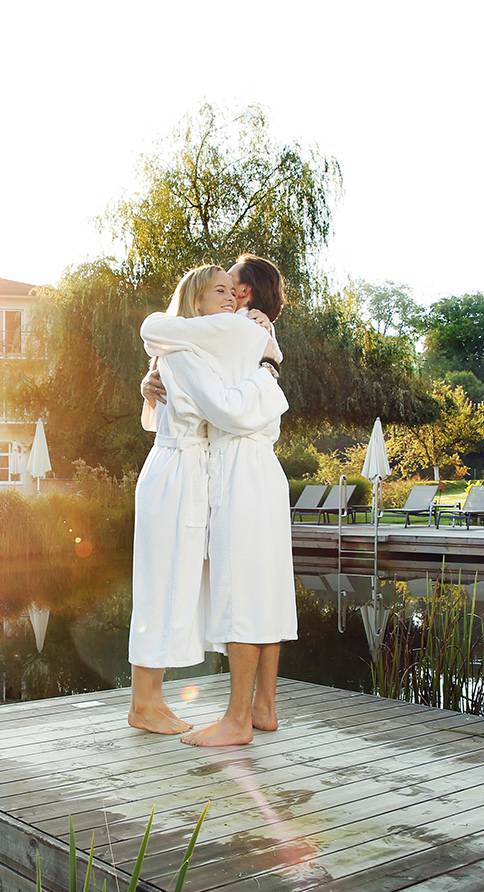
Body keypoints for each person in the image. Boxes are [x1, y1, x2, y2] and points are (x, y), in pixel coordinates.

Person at [140, 253, 299, 746]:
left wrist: (270, 374)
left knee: (241, 589)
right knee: (265, 586)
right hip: (258, 468)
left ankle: (236, 720)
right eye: (219, 289)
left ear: (246, 295)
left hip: (236, 467)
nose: (228, 293)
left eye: (232, 286)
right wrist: (153, 385)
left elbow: (230, 411)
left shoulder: (243, 333)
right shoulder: (249, 336)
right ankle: (263, 708)